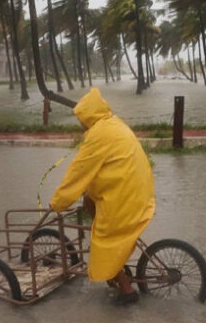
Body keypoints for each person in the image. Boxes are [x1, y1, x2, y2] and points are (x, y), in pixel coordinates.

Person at [49, 88, 155, 304]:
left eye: (81, 119)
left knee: (103, 242)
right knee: (89, 199)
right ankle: (119, 267)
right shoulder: (114, 123)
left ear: (88, 116)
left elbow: (77, 173)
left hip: (125, 196)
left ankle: (127, 292)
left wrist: (58, 203)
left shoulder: (98, 135)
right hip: (138, 190)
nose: (80, 123)